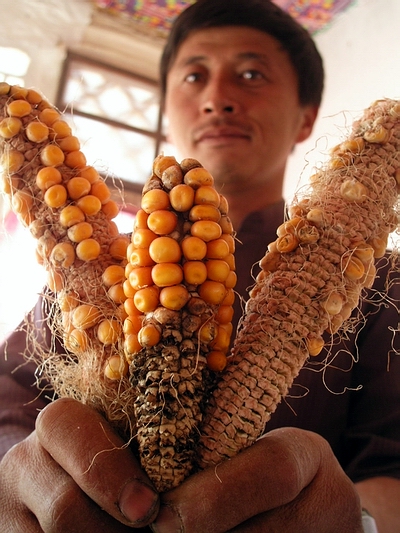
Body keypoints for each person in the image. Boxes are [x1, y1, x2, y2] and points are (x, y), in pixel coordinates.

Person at [0, 0, 399, 531]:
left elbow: (392, 461)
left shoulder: (381, 284)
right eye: (194, 76)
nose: (216, 99)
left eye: (252, 74)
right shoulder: (71, 288)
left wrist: (359, 522)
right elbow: (10, 401)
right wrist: (19, 481)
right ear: (169, 108)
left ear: (306, 117)